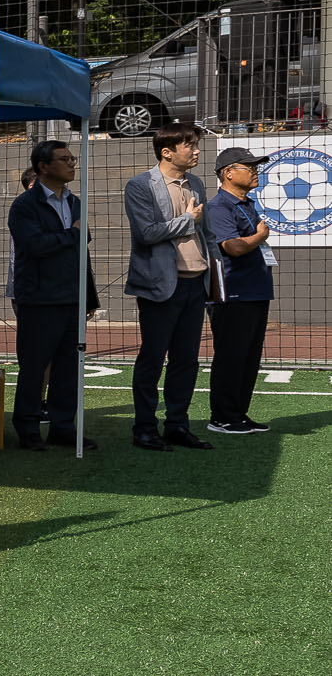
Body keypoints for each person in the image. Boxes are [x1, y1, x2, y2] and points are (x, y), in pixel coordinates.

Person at [122, 123, 215, 452]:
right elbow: (146, 233)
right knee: (152, 358)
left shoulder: (197, 184)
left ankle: (177, 424)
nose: (196, 151)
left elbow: (206, 234)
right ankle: (144, 428)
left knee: (187, 360)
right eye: (189, 145)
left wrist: (213, 270)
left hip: (195, 285)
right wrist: (188, 219)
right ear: (167, 151)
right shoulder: (141, 185)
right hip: (160, 288)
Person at [7, 139, 100, 452]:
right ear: (43, 166)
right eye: (64, 159)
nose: (72, 163)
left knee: (68, 369)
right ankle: (28, 429)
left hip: (71, 298)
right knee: (34, 368)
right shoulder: (24, 206)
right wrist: (72, 234)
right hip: (39, 299)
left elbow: (80, 246)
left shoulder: (74, 201)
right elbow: (35, 246)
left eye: (72, 158)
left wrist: (87, 296)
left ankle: (62, 428)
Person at [205, 145, 275, 436]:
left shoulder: (245, 204)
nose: (255, 171)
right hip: (233, 293)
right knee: (232, 355)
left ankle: (237, 413)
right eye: (249, 167)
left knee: (248, 357)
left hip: (254, 292)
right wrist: (260, 235)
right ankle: (222, 416)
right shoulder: (219, 207)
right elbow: (232, 247)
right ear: (228, 173)